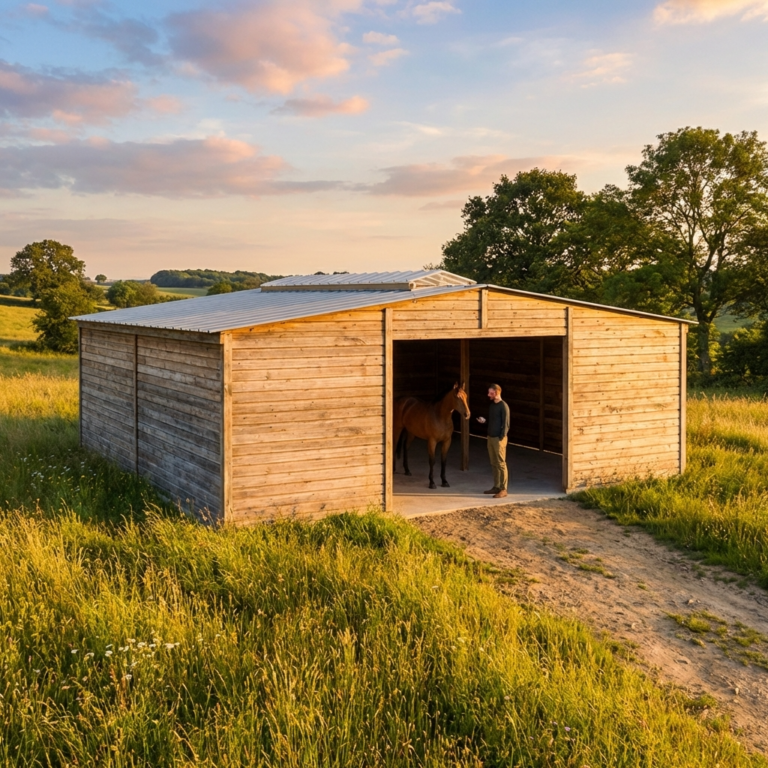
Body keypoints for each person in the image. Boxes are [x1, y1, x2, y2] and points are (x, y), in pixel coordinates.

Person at [476, 383, 510, 498]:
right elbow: (492, 421)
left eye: (490, 393)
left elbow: (506, 424)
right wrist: (484, 421)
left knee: (501, 463)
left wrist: (501, 437)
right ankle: (496, 486)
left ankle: (503, 489)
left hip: (498, 439)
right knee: (494, 463)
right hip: (490, 437)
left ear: (497, 393)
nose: (488, 395)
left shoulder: (503, 406)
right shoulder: (492, 406)